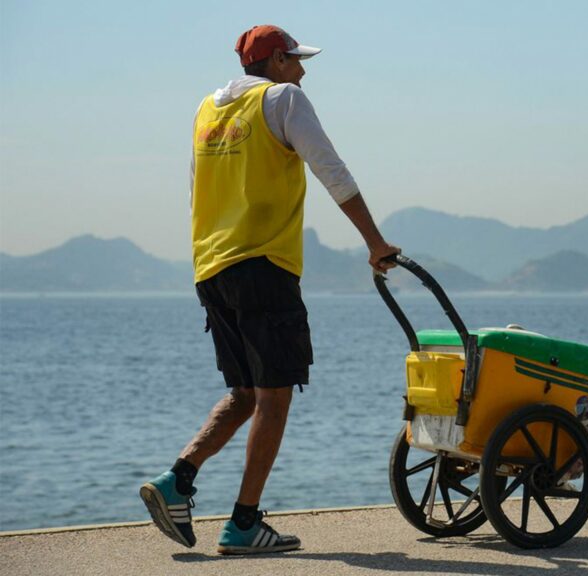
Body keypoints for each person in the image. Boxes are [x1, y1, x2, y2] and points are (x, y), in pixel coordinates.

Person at [140, 25, 400, 555]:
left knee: (245, 394)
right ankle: (243, 523)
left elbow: (195, 192)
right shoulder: (284, 99)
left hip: (212, 267)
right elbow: (333, 172)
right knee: (275, 396)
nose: (303, 72)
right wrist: (375, 243)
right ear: (277, 60)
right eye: (297, 61)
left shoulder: (207, 111)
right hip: (264, 266)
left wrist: (208, 263)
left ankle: (177, 480)